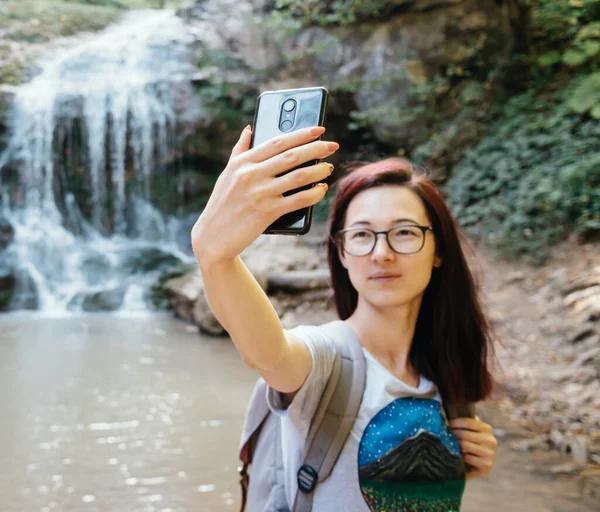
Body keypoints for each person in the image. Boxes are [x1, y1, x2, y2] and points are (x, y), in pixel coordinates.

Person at [191, 124, 498, 510]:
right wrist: (214, 255)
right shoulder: (326, 359)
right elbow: (270, 355)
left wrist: (454, 469)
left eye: (404, 233)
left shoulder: (447, 373)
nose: (381, 253)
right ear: (340, 252)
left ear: (438, 250)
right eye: (362, 235)